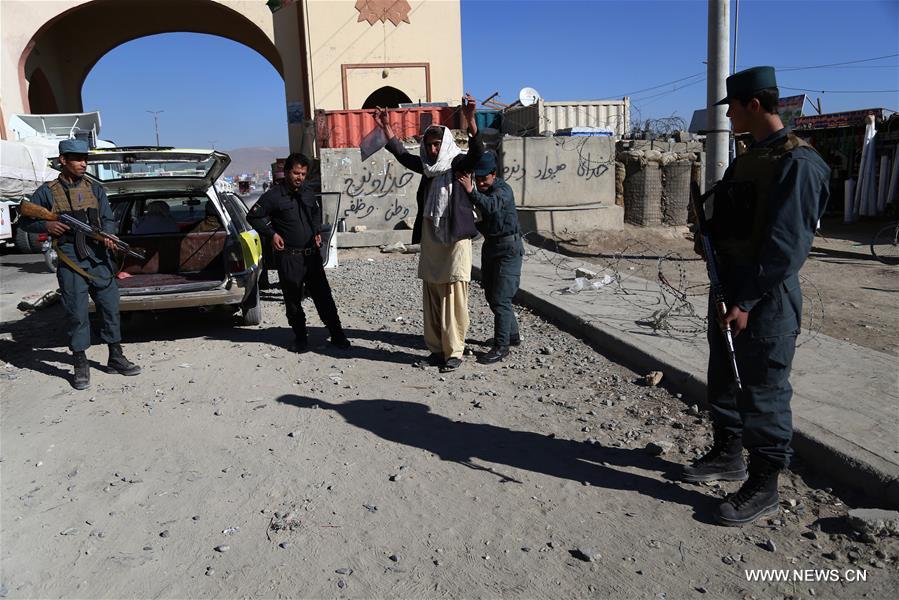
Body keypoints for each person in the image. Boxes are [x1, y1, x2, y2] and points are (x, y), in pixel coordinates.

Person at [682, 66, 830, 526]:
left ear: (754, 104)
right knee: (724, 375)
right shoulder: (750, 158)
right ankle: (729, 454)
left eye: (734, 109)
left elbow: (786, 247)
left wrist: (746, 301)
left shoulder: (797, 163)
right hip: (731, 286)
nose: (730, 119)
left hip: (762, 297)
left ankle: (765, 485)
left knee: (763, 389)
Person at [18, 139, 141, 389]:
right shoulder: (47, 191)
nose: (84, 163)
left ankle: (115, 356)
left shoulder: (95, 189)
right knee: (76, 313)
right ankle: (80, 363)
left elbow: (107, 218)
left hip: (99, 259)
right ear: (63, 160)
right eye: (77, 158)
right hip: (70, 259)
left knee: (110, 308)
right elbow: (24, 222)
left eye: (85, 159)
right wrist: (47, 225)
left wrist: (108, 235)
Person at [374, 94, 483, 372]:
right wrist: (387, 128)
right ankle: (436, 349)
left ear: (445, 144)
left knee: (454, 293)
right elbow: (401, 154)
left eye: (437, 144)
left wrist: (470, 120)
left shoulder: (459, 164)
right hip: (432, 237)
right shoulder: (427, 169)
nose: (433, 150)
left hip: (455, 238)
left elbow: (477, 154)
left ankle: (455, 351)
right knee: (433, 293)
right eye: (429, 144)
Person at [246, 153, 350, 352]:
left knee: (324, 298)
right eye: (296, 173)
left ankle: (337, 335)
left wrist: (317, 230)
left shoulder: (308, 193)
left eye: (303, 173)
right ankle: (300, 338)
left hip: (311, 257)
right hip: (290, 258)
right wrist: (272, 234)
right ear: (286, 172)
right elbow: (254, 216)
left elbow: (315, 212)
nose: (299, 177)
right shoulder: (273, 196)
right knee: (293, 301)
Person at [456, 152, 524, 364]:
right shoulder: (484, 189)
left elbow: (490, 206)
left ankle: (501, 346)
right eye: (478, 179)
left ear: (494, 174)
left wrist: (470, 191)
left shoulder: (503, 190)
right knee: (492, 295)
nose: (481, 183)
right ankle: (511, 335)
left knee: (502, 299)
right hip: (492, 246)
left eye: (484, 179)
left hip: (508, 249)